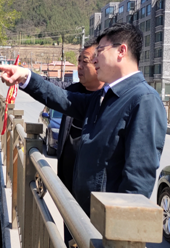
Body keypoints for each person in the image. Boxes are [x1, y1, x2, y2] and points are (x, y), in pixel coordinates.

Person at [0, 23, 167, 217]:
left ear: (121, 51)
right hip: (81, 213)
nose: (95, 60)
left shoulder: (143, 100)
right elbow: (64, 99)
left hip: (103, 224)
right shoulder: (105, 96)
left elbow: (138, 180)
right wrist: (26, 77)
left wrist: (118, 229)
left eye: (100, 51)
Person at [56, 39, 104, 244]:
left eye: (85, 61)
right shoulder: (73, 91)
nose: (80, 66)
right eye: (79, 61)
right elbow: (51, 91)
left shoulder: (108, 100)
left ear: (98, 63)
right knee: (70, 234)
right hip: (67, 187)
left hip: (92, 194)